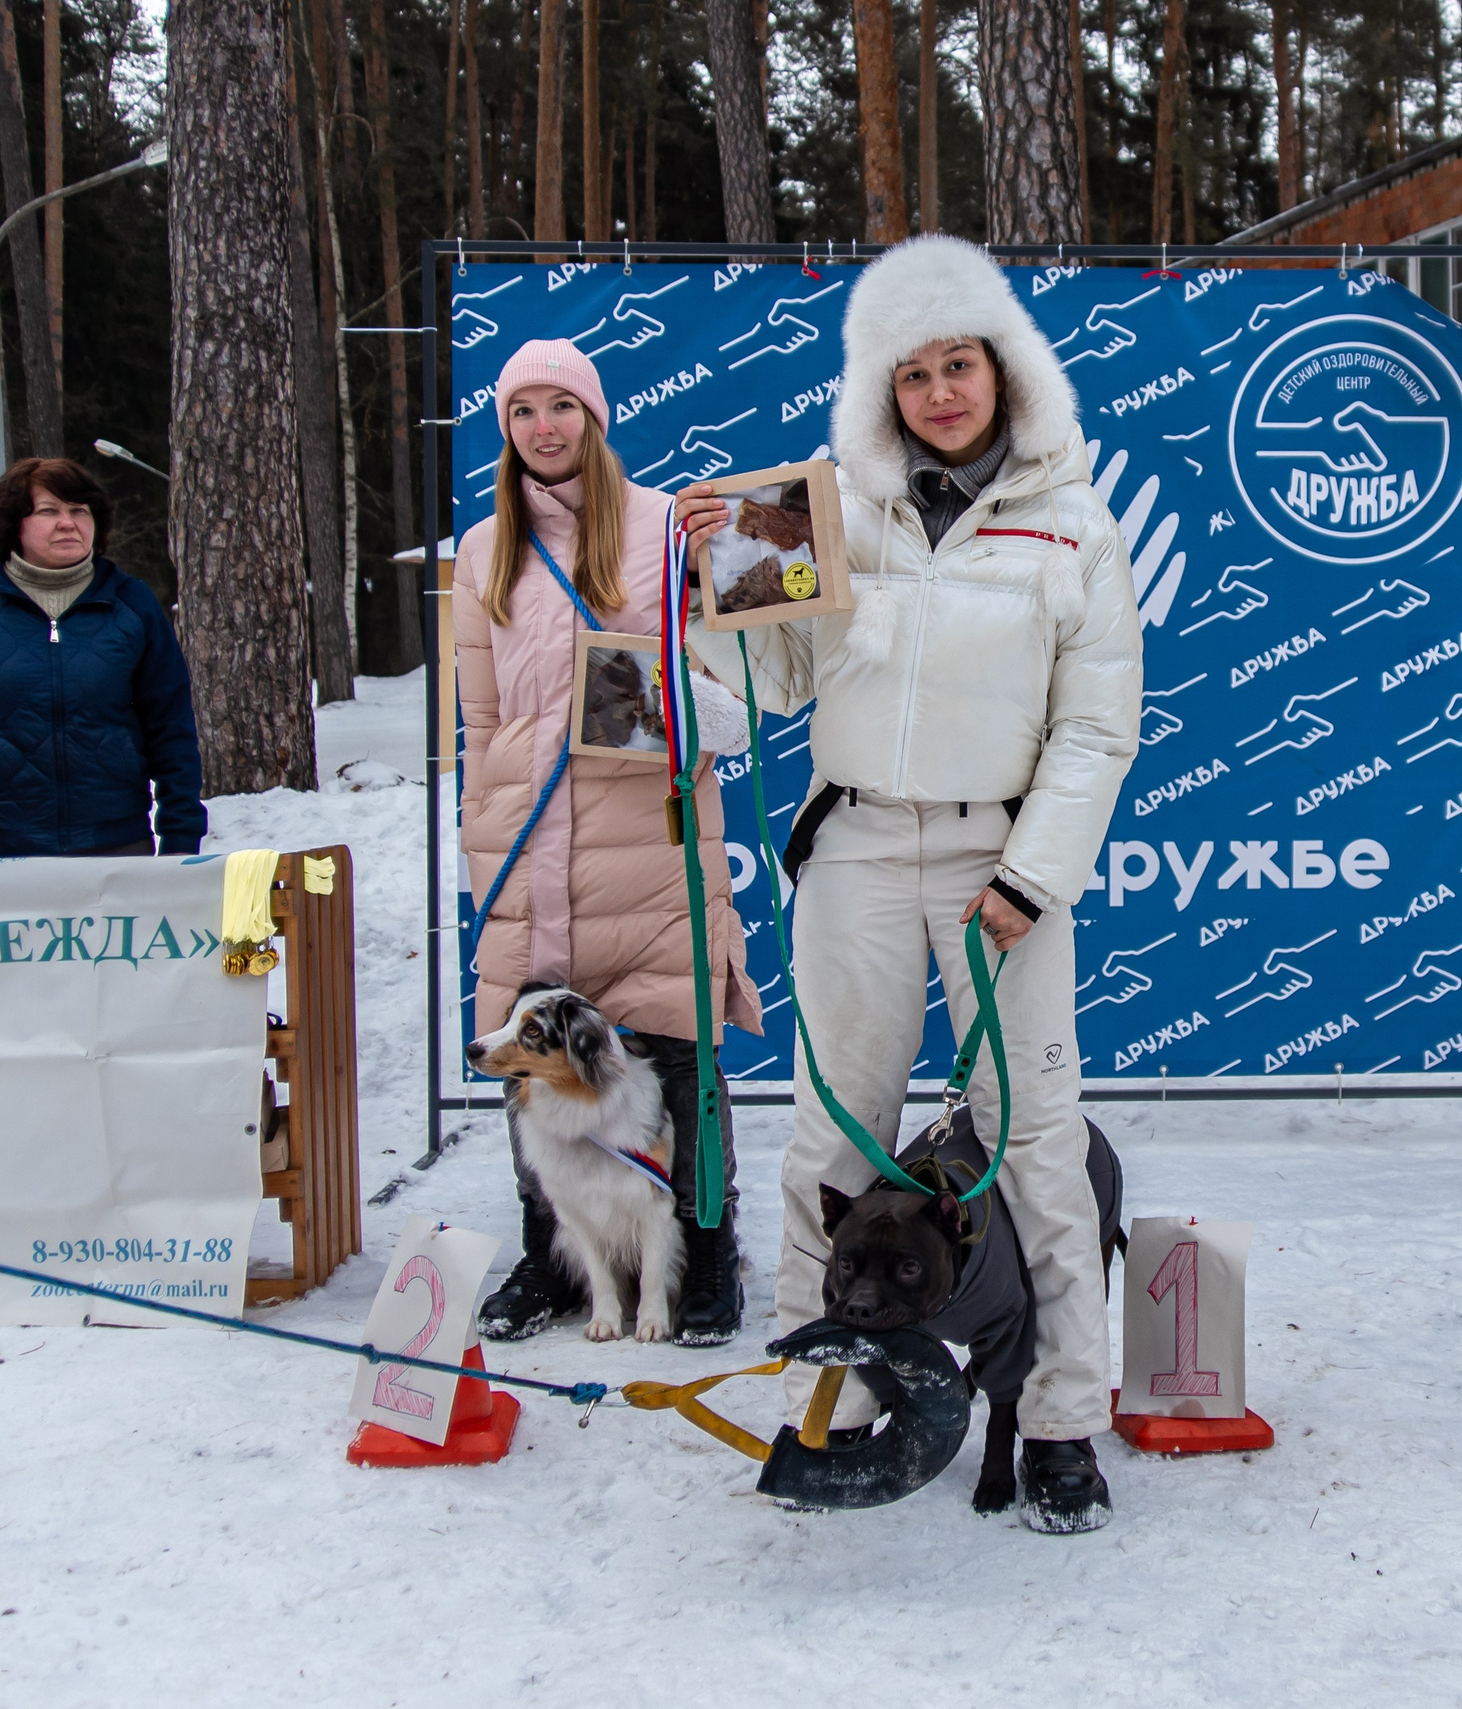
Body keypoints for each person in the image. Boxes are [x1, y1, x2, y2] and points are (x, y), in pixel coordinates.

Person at [678, 235, 1142, 1533]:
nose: (939, 390)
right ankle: (830, 1393)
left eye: (960, 364)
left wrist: (1031, 877)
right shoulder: (824, 503)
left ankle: (1057, 1425)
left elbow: (1099, 729)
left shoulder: (1074, 521)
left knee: (1033, 1138)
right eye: (913, 370)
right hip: (863, 845)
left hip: (1001, 855)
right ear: (882, 385)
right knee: (835, 1129)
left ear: (1004, 371)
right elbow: (778, 688)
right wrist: (725, 572)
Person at [457, 339, 764, 1348]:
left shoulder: (669, 523)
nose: (543, 427)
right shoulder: (480, 549)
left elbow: (739, 692)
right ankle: (555, 1257)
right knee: (534, 1069)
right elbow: (480, 720)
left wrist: (734, 550)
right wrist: (483, 841)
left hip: (648, 843)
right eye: (521, 411)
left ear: (594, 416)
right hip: (529, 853)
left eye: (561, 406)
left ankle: (707, 1256)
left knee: (677, 1060)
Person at [0, 457, 203, 860]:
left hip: (115, 848)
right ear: (14, 525)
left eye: (79, 510)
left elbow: (172, 729)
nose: (67, 522)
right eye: (48, 510)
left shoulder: (133, 605)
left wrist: (181, 839)